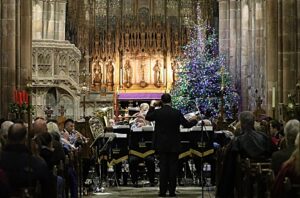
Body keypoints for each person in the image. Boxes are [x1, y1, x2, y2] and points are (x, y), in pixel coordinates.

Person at [146, 93, 198, 197]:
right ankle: (172, 192)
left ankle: (162, 192)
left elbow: (148, 117)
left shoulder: (158, 112)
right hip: (174, 145)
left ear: (161, 101)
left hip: (161, 145)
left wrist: (152, 105)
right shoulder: (176, 112)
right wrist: (194, 121)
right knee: (173, 168)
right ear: (171, 101)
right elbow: (186, 125)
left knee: (163, 168)